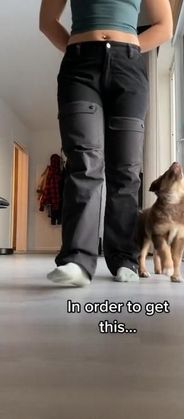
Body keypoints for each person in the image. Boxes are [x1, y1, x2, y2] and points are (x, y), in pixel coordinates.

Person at [39, 0, 173, 286]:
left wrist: (130, 48)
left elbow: (165, 27)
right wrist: (79, 49)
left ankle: (125, 258)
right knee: (84, 163)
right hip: (79, 68)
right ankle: (76, 260)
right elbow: (47, 21)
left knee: (125, 170)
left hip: (129, 68)